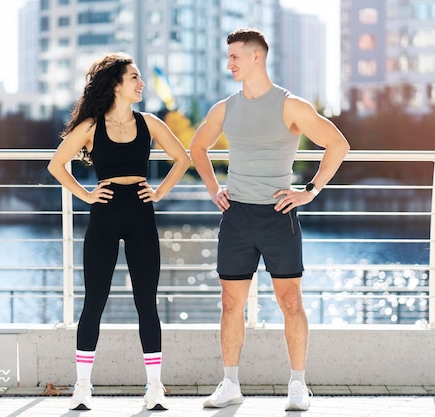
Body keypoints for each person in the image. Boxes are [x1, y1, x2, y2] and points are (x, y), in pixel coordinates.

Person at [189, 28, 350, 411]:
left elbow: (338, 144)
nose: (229, 64)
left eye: (234, 57)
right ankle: (229, 383)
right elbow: (197, 147)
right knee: (231, 304)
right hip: (237, 215)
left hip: (280, 215)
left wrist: (309, 190)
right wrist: (214, 188)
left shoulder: (290, 105)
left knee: (290, 301)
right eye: (228, 58)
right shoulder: (225, 108)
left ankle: (297, 385)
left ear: (256, 57)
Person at [48, 53, 191, 411]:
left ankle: (155, 387)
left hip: (141, 214)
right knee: (94, 301)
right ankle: (82, 387)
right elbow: (56, 164)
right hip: (105, 215)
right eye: (134, 78)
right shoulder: (91, 126)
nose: (141, 84)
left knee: (147, 302)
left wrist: (159, 192)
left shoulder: (149, 122)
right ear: (116, 85)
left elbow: (183, 158)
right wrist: (86, 195)